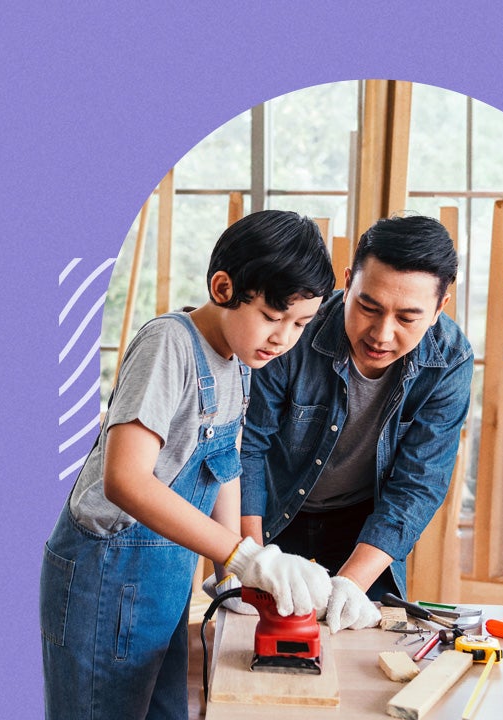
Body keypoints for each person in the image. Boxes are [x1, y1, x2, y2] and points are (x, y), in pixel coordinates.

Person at [40, 210, 336, 720]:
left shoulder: (239, 364)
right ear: (224, 287)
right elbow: (125, 480)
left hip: (163, 581)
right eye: (272, 316)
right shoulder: (168, 344)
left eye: (300, 325)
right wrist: (244, 556)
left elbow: (225, 467)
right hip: (107, 579)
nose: (284, 338)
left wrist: (233, 576)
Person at [238, 214, 474, 633]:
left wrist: (352, 580)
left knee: (365, 637)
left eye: (407, 318)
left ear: (440, 308)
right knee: (257, 631)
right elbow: (250, 446)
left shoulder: (450, 360)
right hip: (276, 508)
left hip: (365, 521)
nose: (382, 334)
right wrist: (249, 558)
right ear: (347, 281)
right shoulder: (293, 331)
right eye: (368, 306)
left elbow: (419, 483)